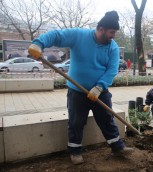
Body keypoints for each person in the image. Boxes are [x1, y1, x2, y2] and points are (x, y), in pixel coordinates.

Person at [28, 10, 133, 165]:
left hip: (100, 92)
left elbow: (112, 70)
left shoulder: (113, 47)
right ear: (101, 29)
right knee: (76, 123)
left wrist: (99, 87)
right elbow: (57, 35)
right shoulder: (79, 36)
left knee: (107, 120)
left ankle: (117, 146)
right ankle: (75, 151)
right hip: (77, 92)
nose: (113, 36)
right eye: (111, 32)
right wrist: (39, 43)